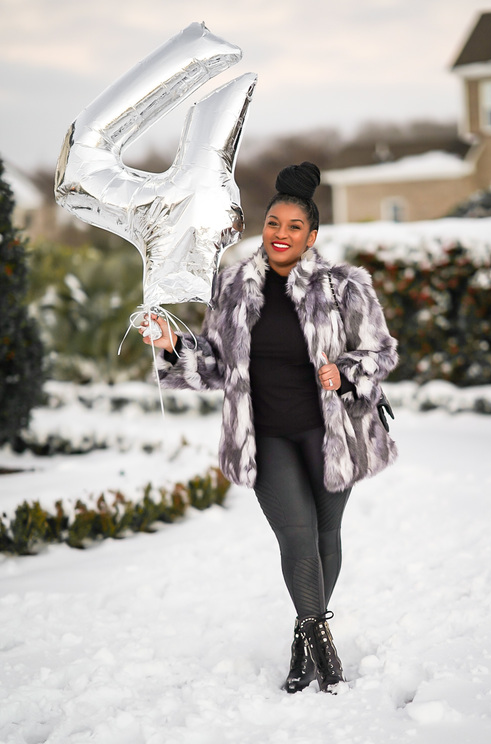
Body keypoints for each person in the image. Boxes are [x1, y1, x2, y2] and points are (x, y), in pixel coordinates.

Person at [140, 162, 398, 694]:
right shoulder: (232, 287)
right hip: (265, 435)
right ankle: (320, 642)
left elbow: (380, 353)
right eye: (273, 223)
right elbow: (213, 364)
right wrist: (172, 347)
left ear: (313, 235)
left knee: (327, 535)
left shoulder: (345, 287)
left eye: (294, 227)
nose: (281, 234)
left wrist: (345, 372)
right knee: (296, 535)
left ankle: (305, 638)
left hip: (333, 435)